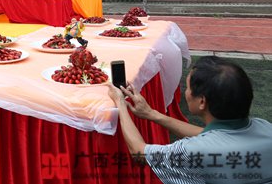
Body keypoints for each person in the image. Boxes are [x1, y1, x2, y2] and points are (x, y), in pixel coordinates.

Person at [108, 56, 272, 184]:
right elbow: (212, 136)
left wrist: (120, 103)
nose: (186, 92)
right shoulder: (265, 127)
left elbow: (139, 152)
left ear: (202, 102)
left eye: (187, 88)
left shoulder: (192, 151)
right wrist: (151, 114)